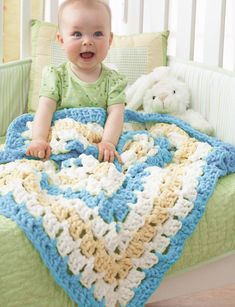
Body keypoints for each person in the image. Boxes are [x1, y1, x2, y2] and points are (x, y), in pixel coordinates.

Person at [26, 0, 127, 163]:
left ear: (109, 40)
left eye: (98, 33)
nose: (87, 41)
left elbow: (116, 114)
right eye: (77, 34)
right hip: (62, 138)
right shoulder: (56, 76)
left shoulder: (113, 81)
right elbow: (45, 109)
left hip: (97, 141)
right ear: (61, 40)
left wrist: (108, 142)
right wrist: (38, 138)